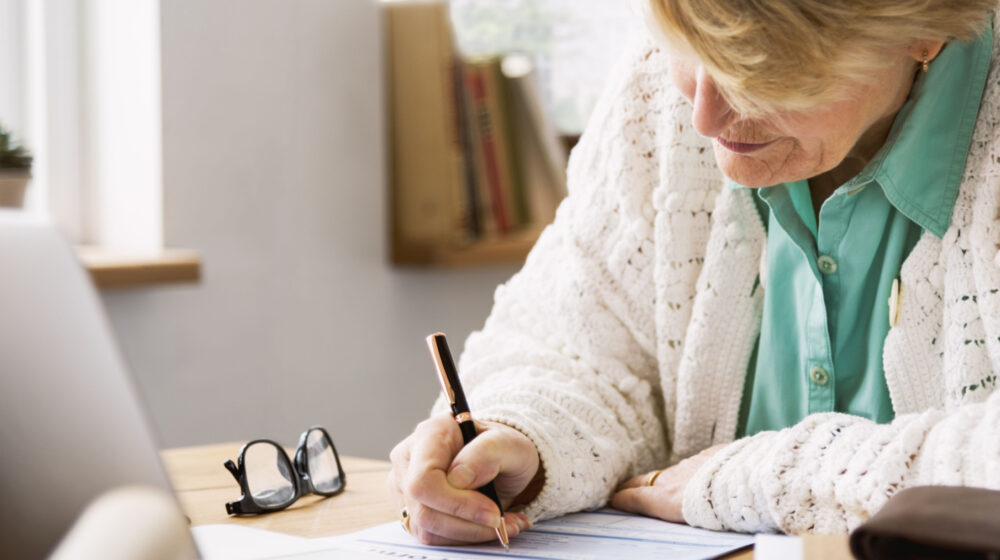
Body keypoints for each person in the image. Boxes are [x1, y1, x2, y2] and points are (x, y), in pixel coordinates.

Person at [388, 0, 1000, 543]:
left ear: (922, 32)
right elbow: (571, 339)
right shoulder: (658, 90)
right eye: (684, 47)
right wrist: (522, 433)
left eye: (763, 70)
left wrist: (763, 479)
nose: (703, 116)